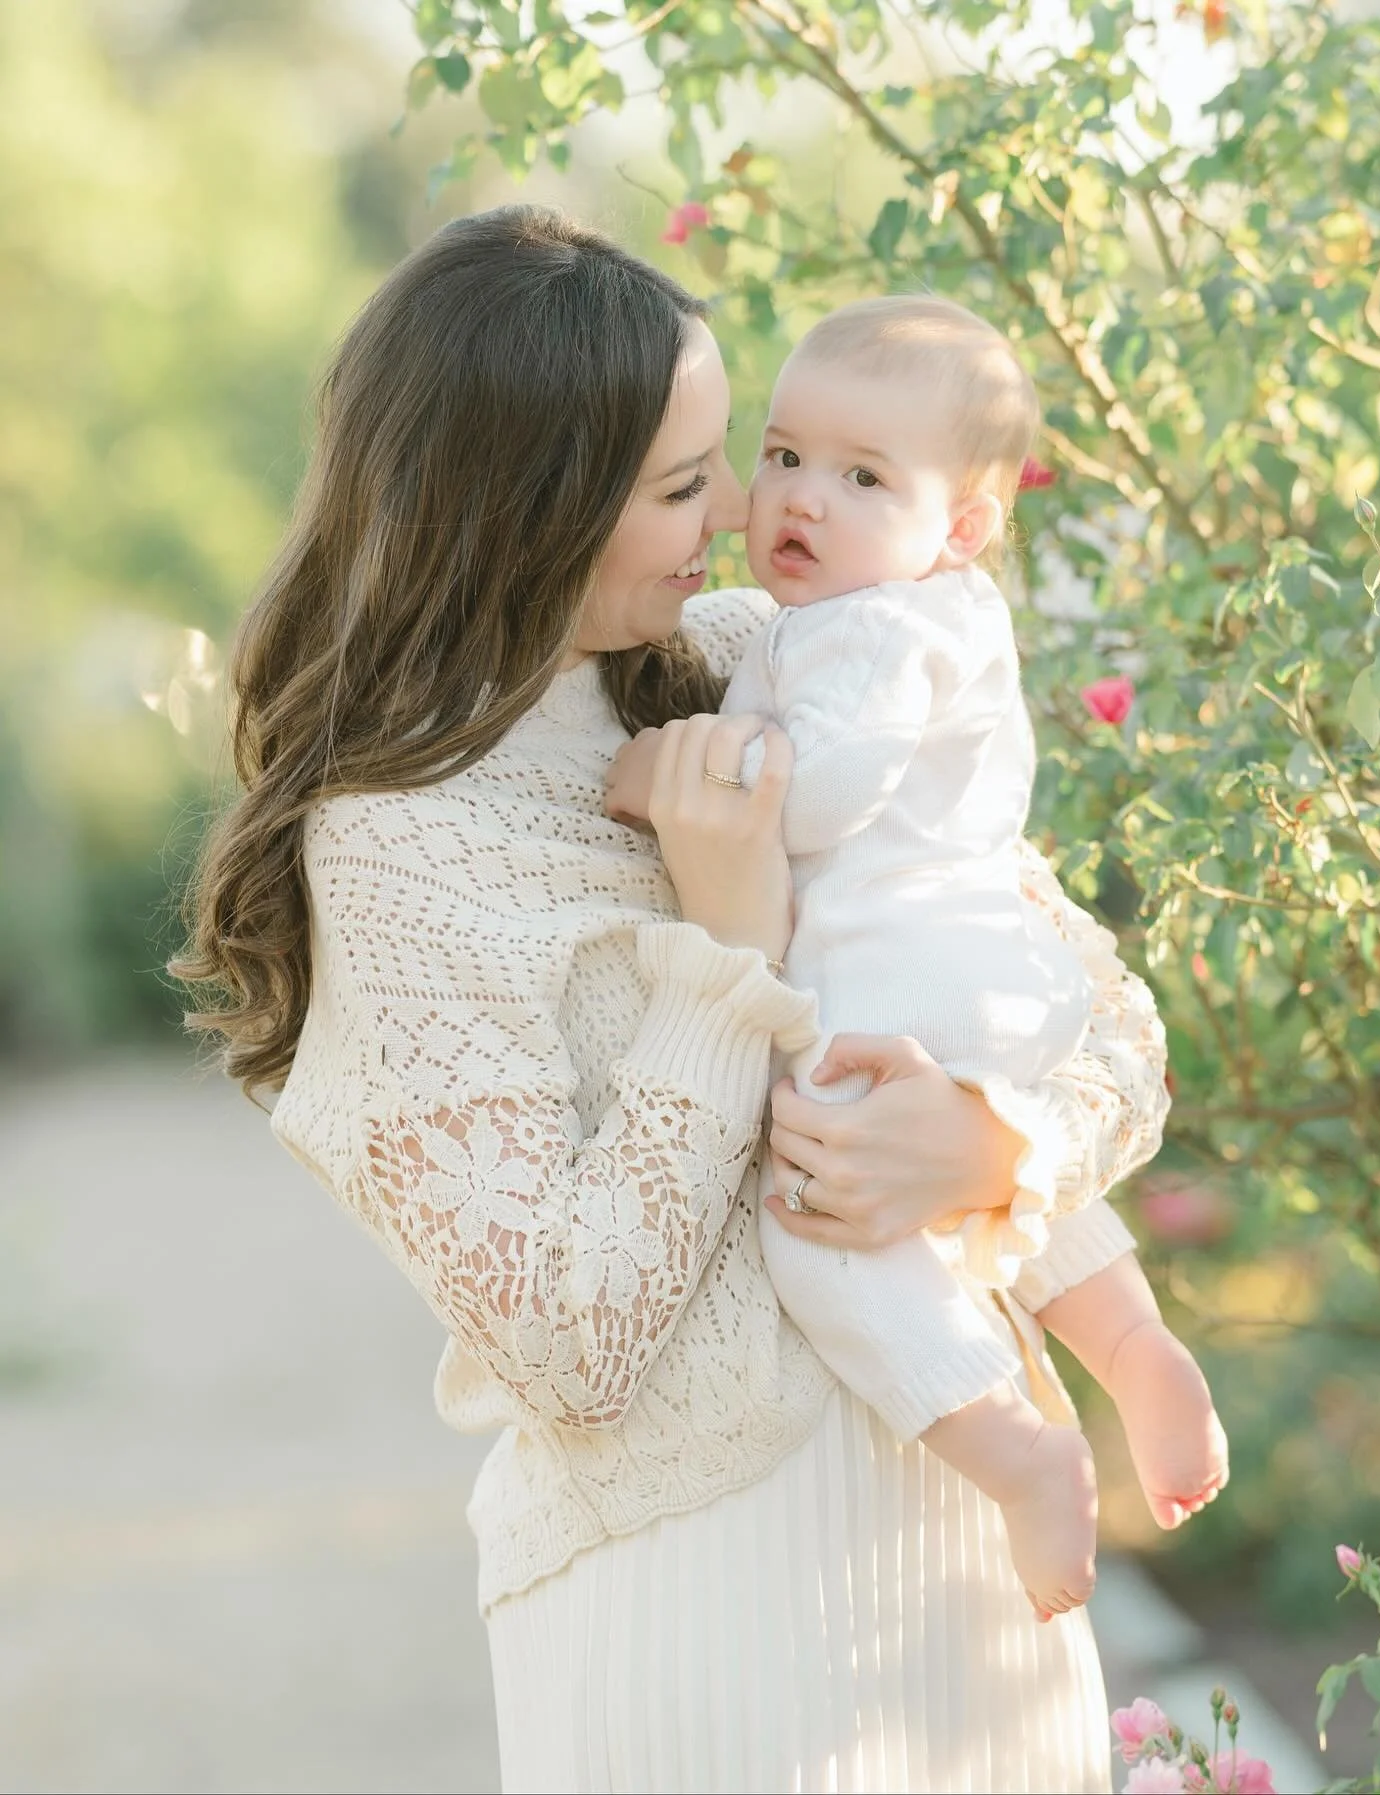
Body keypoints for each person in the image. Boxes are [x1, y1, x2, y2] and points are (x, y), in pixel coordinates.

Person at [174, 205, 1174, 1794]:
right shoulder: (400, 846)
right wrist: (730, 957)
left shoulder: (763, 657)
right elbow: (577, 1344)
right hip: (711, 1605)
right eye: (684, 480)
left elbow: (1099, 1011)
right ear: (530, 506)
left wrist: (995, 1150)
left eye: (738, 455)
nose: (750, 507)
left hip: (978, 1542)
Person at [606, 295, 1228, 1627]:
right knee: (993, 1179)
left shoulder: (875, 628)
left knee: (821, 1221)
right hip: (986, 968)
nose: (798, 498)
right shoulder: (895, 612)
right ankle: (1134, 1344)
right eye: (782, 455)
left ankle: (1017, 1453)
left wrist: (681, 769)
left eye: (863, 475)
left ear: (962, 526)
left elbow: (816, 792)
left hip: (894, 966)